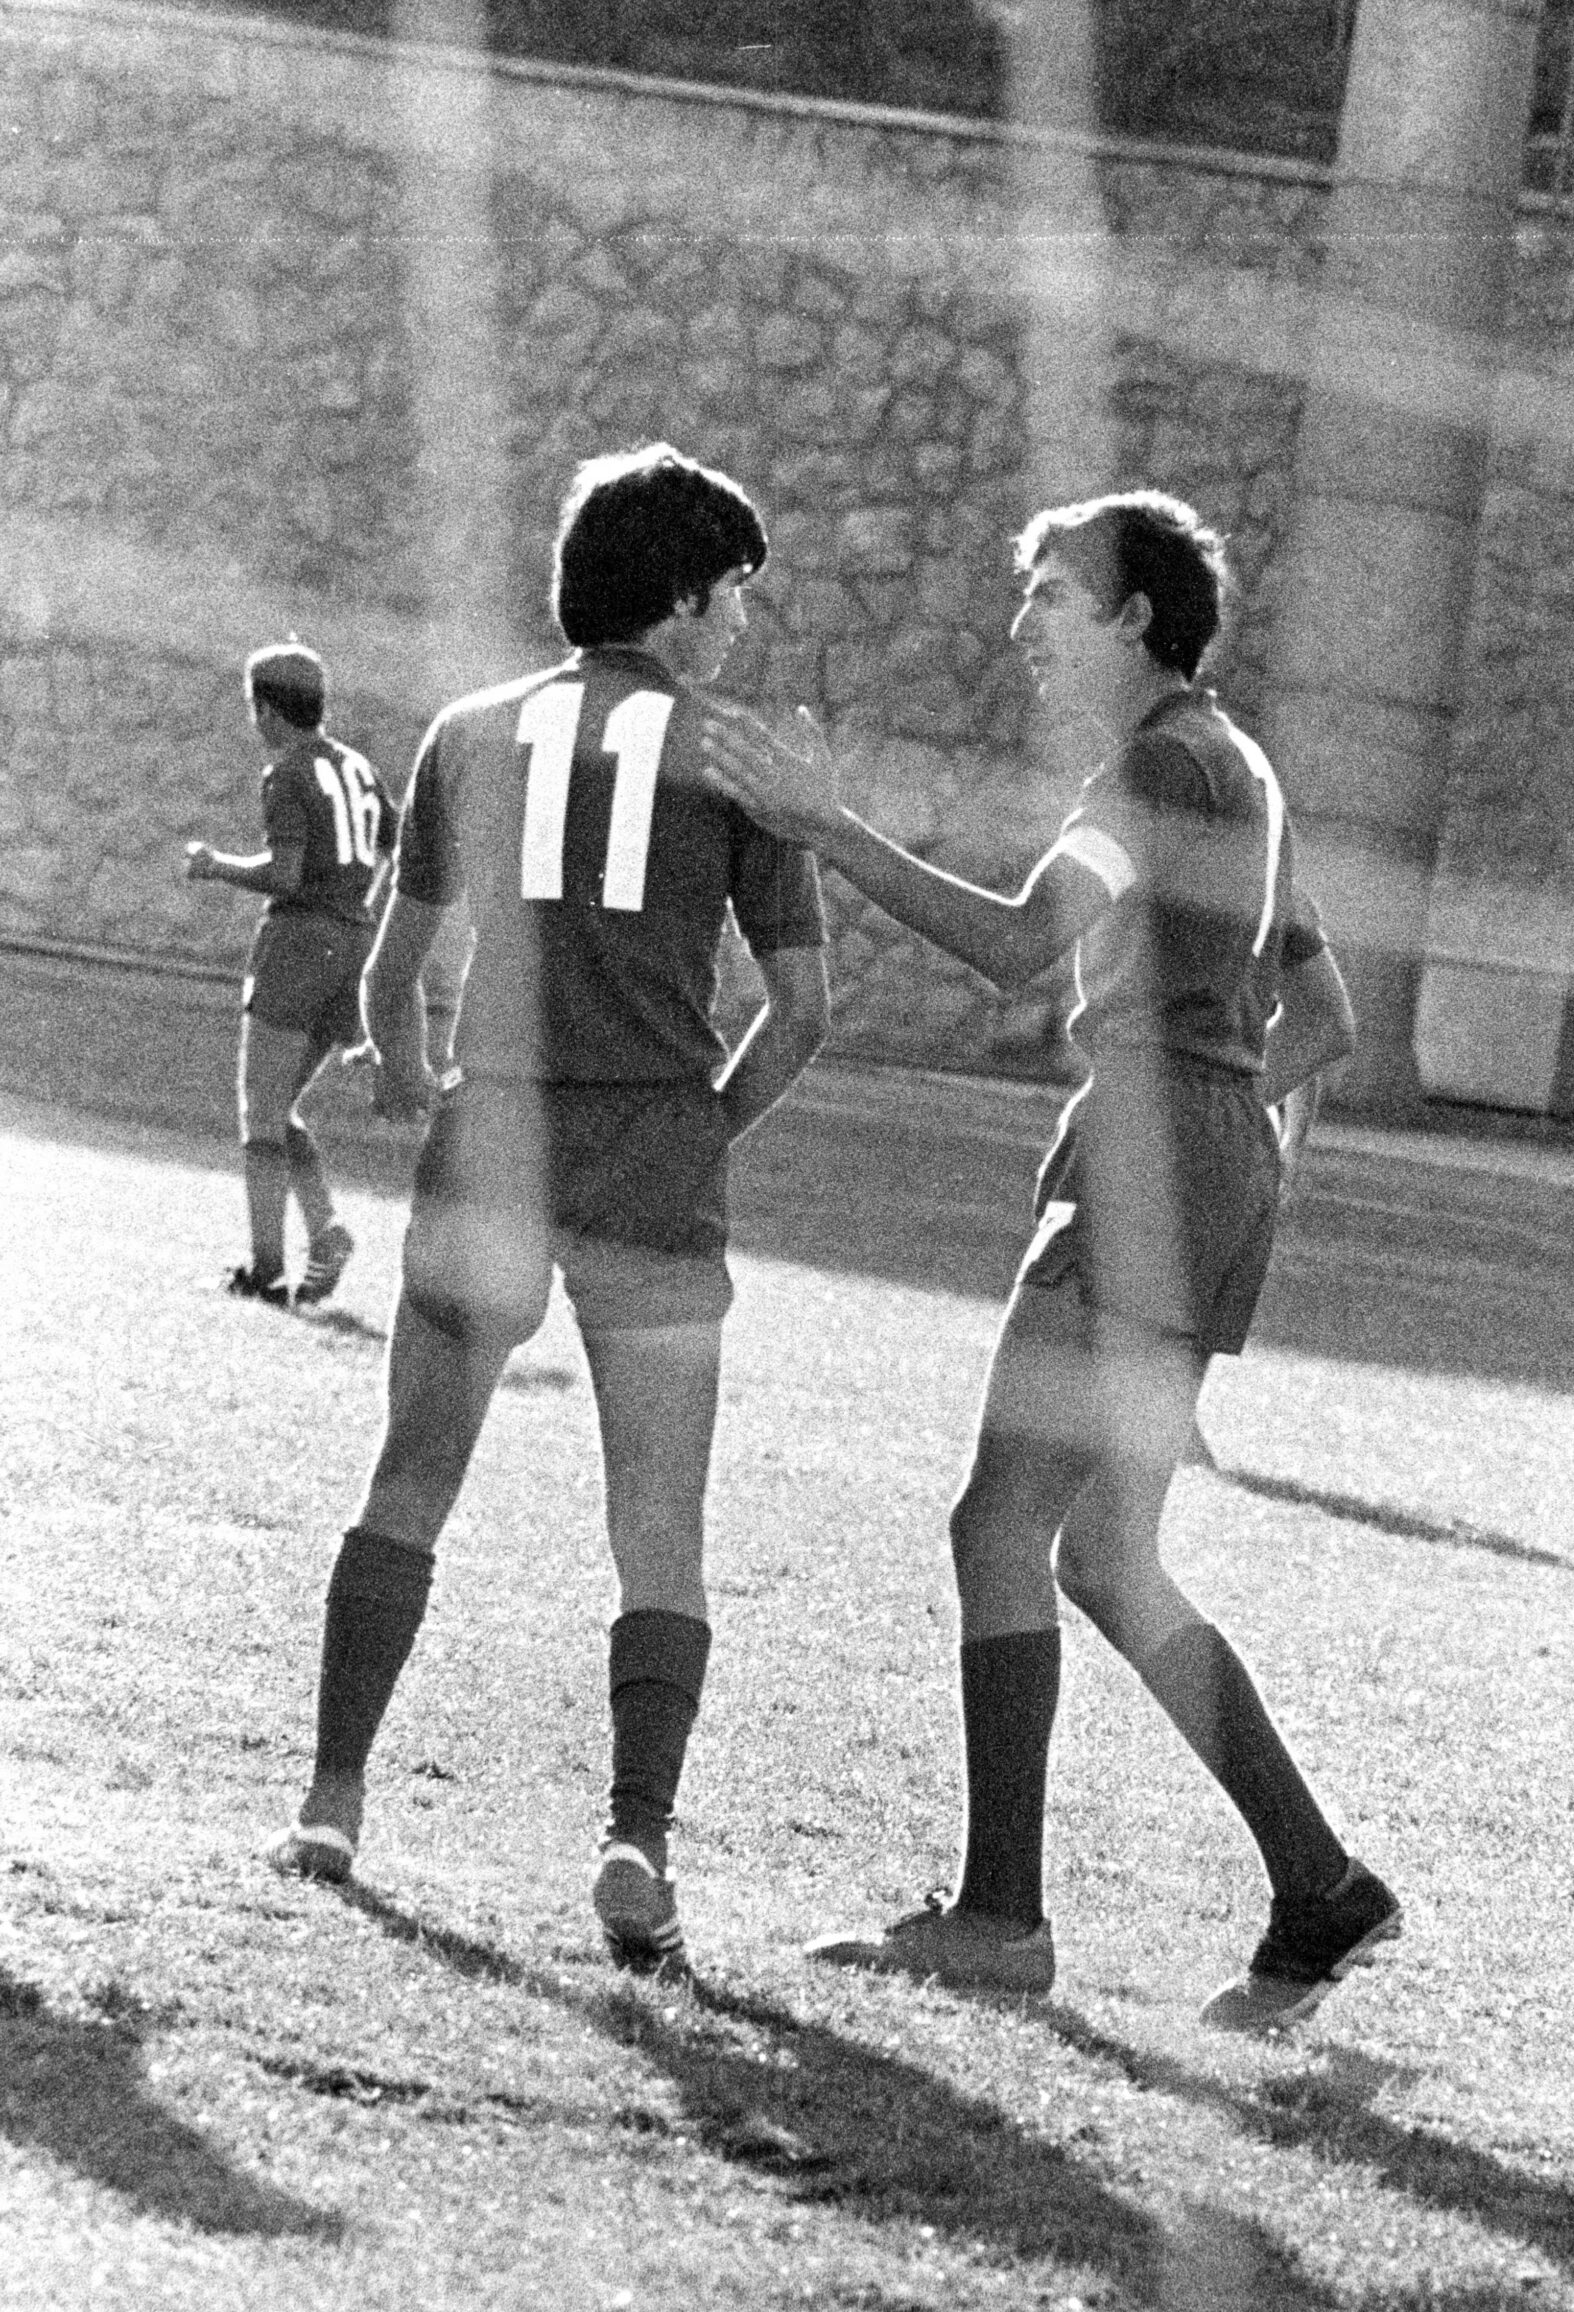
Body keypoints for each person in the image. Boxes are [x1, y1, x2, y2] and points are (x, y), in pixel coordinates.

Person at [702, 489, 1398, 2032]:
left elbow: (1022, 942)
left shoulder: (1157, 767)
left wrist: (826, 826)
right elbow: (1327, 1019)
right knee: (1101, 1553)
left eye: (1050, 599)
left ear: (1135, 618)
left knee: (997, 1526)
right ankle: (1319, 1889)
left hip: (1150, 1170)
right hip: (1205, 1174)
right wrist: (1227, 1124)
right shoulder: (1238, 768)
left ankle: (1002, 1919)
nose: (1021, 626)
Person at [260, 445, 830, 1976]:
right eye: (735, 599)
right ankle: (634, 1841)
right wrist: (702, 1126)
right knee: (658, 1533)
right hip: (652, 1158)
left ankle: (330, 1803)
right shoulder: (735, 752)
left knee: (410, 1480)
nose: (740, 631)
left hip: (493, 1139)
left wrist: (422, 1074)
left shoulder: (470, 729)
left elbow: (392, 975)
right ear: (687, 599)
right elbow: (802, 1012)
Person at [183, 642, 397, 1306]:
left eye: (254, 707)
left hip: (299, 944)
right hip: (353, 945)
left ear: (269, 710)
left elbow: (284, 875)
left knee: (259, 1115)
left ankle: (265, 1269)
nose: (254, 721)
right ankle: (325, 1231)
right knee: (281, 1109)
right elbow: (395, 843)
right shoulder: (357, 767)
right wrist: (361, 902)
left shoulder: (287, 774)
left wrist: (215, 863)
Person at [1183, 885, 1354, 1469]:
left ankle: (1177, 1418)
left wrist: (1290, 1145)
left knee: (1216, 1287)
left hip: (1239, 1122)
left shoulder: (1280, 901)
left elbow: (1315, 1034)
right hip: (1202, 1114)